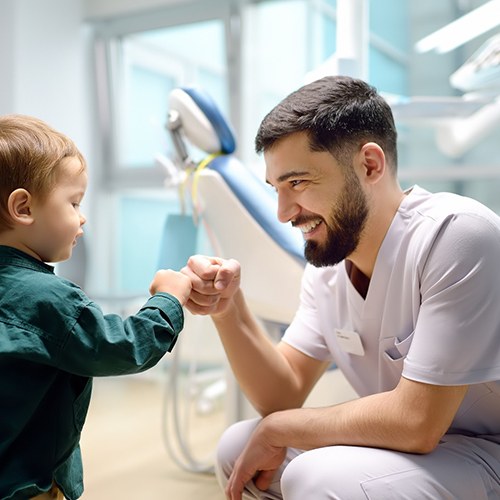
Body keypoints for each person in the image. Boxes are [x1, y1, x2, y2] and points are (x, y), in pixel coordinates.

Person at [181, 75, 500, 499]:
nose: (282, 213)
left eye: (297, 183)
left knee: (317, 476)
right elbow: (282, 392)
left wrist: (282, 428)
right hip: (429, 452)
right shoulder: (328, 270)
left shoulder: (457, 235)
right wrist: (227, 308)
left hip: (487, 450)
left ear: (370, 164)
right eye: (276, 189)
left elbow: (417, 422)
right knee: (237, 448)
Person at [0, 115, 192, 500]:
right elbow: (124, 346)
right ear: (23, 207)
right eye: (73, 202)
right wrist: (168, 299)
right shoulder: (47, 299)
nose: (82, 215)